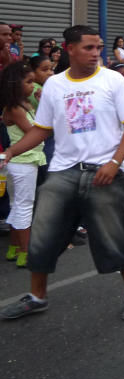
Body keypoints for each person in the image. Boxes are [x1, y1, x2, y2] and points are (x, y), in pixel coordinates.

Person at [0, 25, 124, 321]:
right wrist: (10, 152)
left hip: (104, 171)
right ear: (70, 49)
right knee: (42, 236)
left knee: (115, 236)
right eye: (88, 48)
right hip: (63, 172)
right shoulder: (54, 85)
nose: (96, 53)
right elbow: (42, 129)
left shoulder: (113, 80)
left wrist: (115, 163)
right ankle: (37, 296)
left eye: (99, 47)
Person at [1, 62, 46, 268]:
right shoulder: (14, 108)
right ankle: (25, 252)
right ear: (15, 84)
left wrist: (38, 102)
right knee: (24, 207)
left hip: (25, 161)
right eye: (28, 82)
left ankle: (15, 248)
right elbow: (33, 132)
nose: (32, 85)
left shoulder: (24, 104)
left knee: (17, 206)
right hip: (23, 162)